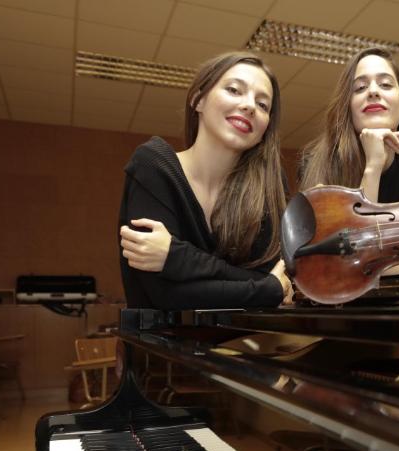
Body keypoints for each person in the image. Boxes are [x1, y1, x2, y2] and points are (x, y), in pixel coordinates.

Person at [118, 52, 292, 309]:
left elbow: (280, 283)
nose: (249, 106)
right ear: (198, 99)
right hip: (161, 346)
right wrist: (264, 289)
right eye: (234, 90)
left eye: (263, 104)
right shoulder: (153, 166)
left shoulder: (268, 190)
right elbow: (165, 295)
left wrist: (177, 258)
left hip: (249, 347)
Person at [299, 47, 399, 204]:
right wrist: (373, 165)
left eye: (385, 84)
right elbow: (359, 229)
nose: (373, 91)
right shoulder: (315, 161)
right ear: (347, 110)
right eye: (360, 87)